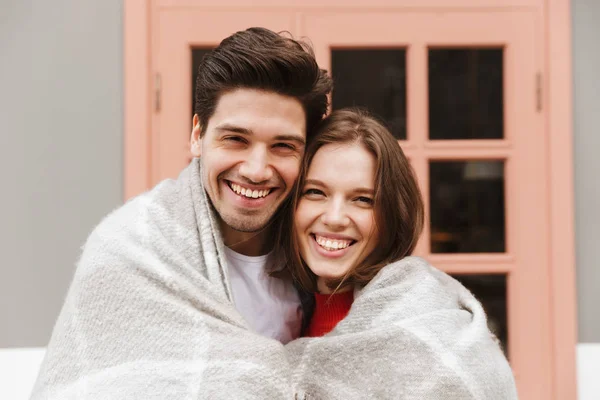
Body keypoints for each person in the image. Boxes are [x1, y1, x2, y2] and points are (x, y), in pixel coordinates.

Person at [31, 27, 332, 399]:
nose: (256, 169)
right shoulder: (129, 250)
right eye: (235, 139)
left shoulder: (323, 253)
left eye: (283, 146)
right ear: (197, 135)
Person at [279, 109, 519, 399]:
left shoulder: (432, 333)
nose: (335, 217)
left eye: (363, 200)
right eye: (315, 192)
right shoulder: (277, 316)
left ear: (393, 216)